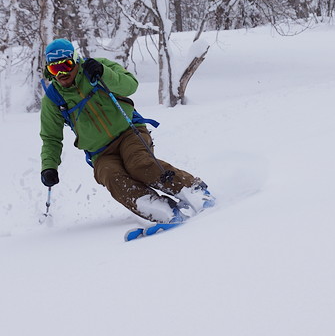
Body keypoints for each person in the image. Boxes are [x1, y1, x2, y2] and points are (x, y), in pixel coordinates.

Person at [39, 38, 215, 224]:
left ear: (75, 60)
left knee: (139, 164)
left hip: (129, 131)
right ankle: (160, 210)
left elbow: (130, 85)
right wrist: (49, 167)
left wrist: (104, 73)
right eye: (54, 69)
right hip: (100, 152)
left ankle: (192, 190)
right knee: (112, 177)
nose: (61, 73)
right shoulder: (53, 99)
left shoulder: (97, 68)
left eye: (66, 65)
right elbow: (51, 137)